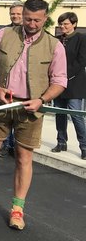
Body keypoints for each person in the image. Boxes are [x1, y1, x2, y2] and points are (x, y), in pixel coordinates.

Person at [0, 0, 67, 231]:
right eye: (28, 18)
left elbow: (60, 81)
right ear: (22, 15)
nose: (31, 23)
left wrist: (42, 99)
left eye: (37, 20)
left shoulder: (54, 46)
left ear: (45, 18)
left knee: (23, 157)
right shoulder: (3, 35)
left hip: (31, 108)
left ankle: (17, 209)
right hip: (0, 103)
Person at [52, 12, 86, 160]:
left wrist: (65, 74)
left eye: (66, 24)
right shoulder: (57, 40)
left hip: (74, 83)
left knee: (76, 115)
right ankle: (61, 141)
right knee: (59, 113)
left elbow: (81, 60)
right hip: (57, 84)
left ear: (74, 24)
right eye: (61, 24)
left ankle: (84, 146)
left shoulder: (81, 39)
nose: (62, 27)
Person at [0, 2, 24, 157]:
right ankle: (4, 144)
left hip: (22, 89)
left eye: (18, 14)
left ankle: (14, 146)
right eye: (13, 13)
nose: (15, 16)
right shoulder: (4, 32)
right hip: (4, 86)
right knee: (3, 118)